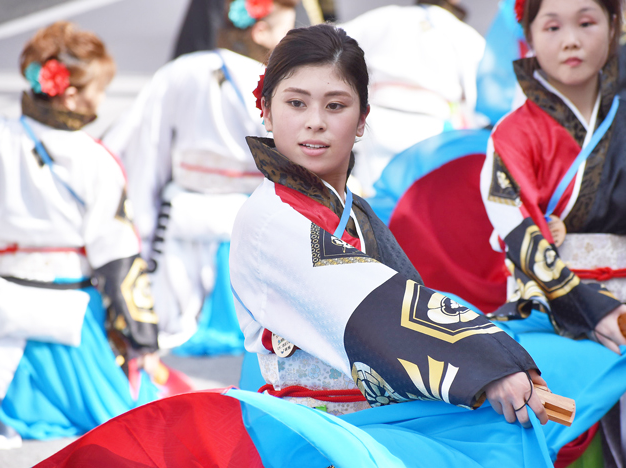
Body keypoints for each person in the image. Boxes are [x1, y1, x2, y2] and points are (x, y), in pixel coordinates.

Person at [37, 24, 568, 468]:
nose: (315, 121)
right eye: (296, 102)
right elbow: (376, 310)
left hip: (369, 419)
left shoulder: (352, 211)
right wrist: (485, 362)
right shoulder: (270, 219)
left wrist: (497, 351)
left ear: (362, 121)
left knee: (507, 433)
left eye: (335, 105)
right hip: (311, 433)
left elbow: (406, 296)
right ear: (266, 112)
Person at [480, 0, 626, 465]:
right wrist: (593, 310)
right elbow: (523, 239)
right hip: (552, 316)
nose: (570, 39)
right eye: (552, 26)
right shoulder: (511, 135)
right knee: (559, 440)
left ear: (615, 26)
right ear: (528, 36)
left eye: (587, 22)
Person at [0, 22, 166, 449]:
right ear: (71, 94)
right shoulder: (96, 159)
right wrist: (142, 339)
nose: (101, 101)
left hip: (5, 295)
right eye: (99, 90)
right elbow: (119, 256)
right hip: (73, 308)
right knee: (124, 414)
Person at [103, 0, 298, 353]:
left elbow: (144, 148)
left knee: (176, 317)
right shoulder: (276, 83)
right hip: (252, 219)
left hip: (181, 217)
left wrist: (141, 234)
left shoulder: (180, 72)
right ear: (261, 31)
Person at [339, 0, 486, 197]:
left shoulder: (384, 17)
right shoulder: (463, 33)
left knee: (372, 196)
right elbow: (481, 98)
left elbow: (331, 46)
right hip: (431, 130)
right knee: (420, 204)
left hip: (380, 121)